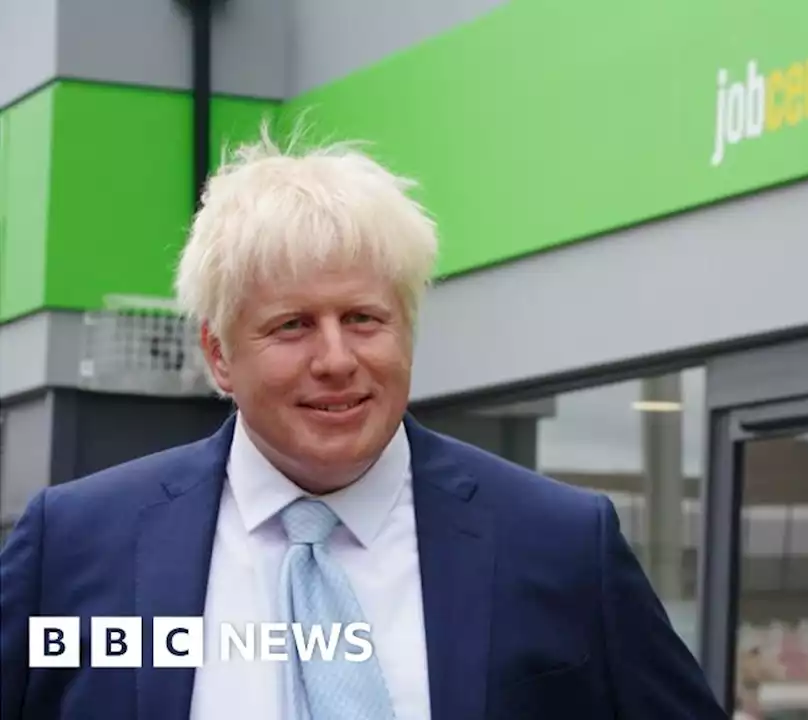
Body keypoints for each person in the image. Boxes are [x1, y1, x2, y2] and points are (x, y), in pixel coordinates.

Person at [0, 132, 729, 719]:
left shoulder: (561, 546)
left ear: (405, 330)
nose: (337, 359)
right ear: (219, 356)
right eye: (292, 326)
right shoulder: (74, 550)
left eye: (363, 319)